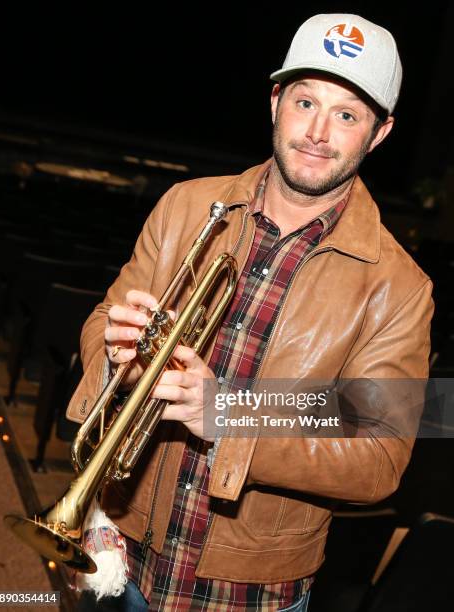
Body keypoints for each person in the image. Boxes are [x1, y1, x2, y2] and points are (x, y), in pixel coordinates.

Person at [68, 13, 434, 612]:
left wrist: (231, 415)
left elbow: (379, 458)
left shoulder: (401, 286)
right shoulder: (185, 205)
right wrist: (117, 356)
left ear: (380, 133)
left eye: (346, 115)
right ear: (274, 103)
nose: (318, 131)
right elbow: (101, 320)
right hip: (122, 563)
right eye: (305, 102)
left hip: (251, 596)